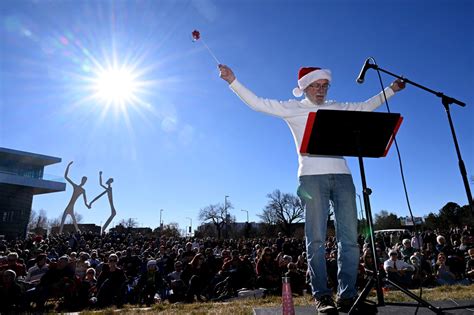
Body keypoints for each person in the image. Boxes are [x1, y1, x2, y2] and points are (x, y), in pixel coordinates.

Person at [219, 64, 405, 313]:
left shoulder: (336, 107)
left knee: (349, 239)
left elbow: (364, 107)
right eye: (315, 85)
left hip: (343, 177)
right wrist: (233, 81)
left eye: (324, 85)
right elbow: (258, 103)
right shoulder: (292, 108)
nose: (320, 90)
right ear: (304, 87)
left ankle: (347, 295)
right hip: (311, 178)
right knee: (315, 239)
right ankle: (322, 296)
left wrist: (391, 90)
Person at [60, 161, 89, 234]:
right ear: (81, 180)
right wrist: (68, 166)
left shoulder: (83, 190)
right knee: (62, 222)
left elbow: (85, 202)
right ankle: (60, 233)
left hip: (71, 207)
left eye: (85, 181)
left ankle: (79, 234)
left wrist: (87, 205)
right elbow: (66, 176)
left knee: (75, 224)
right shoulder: (75, 186)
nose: (84, 182)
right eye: (83, 180)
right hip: (69, 207)